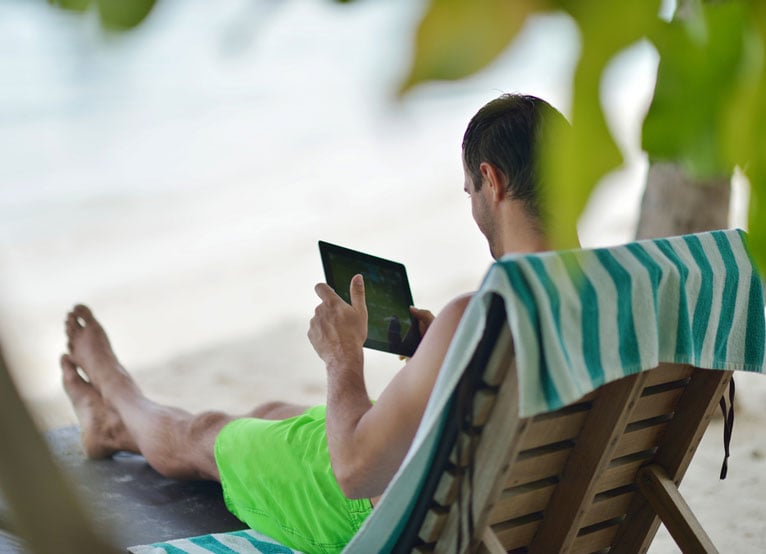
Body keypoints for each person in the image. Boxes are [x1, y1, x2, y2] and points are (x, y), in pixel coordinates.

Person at [60, 93, 568, 552]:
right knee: (271, 410)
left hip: (388, 516)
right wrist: (443, 356)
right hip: (521, 513)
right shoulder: (605, 305)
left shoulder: (478, 313)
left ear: (493, 181)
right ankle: (110, 429)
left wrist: (341, 359)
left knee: (205, 432)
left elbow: (353, 473)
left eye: (469, 192)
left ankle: (117, 390)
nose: (474, 208)